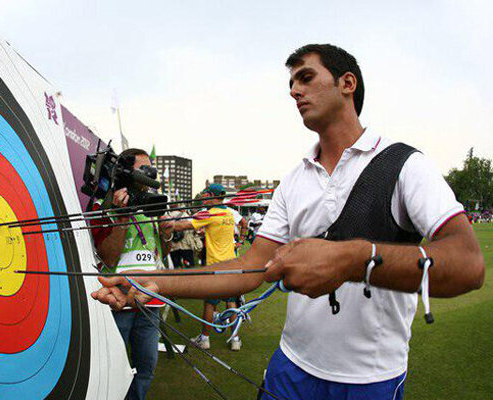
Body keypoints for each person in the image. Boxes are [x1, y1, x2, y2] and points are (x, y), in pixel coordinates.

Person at [92, 44, 484, 400]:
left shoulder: (405, 165)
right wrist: (157, 283)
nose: (294, 91)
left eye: (306, 78)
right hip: (290, 368)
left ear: (348, 83)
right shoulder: (295, 179)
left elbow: (467, 264)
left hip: (371, 380)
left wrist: (353, 259)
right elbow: (251, 267)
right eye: (292, 83)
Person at [90, 148, 174, 400]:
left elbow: (162, 250)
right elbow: (108, 257)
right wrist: (123, 215)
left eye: (151, 170)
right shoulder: (104, 204)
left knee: (146, 368)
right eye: (143, 170)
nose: (150, 175)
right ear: (126, 172)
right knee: (110, 369)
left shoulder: (152, 203)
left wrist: (167, 233)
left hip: (151, 299)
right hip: (117, 301)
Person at [174, 184, 242, 351]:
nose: (203, 198)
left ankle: (204, 339)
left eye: (205, 195)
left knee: (210, 304)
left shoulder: (210, 213)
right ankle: (235, 340)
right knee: (231, 303)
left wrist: (164, 223)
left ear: (211, 195)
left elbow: (183, 226)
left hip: (215, 266)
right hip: (231, 263)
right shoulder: (229, 213)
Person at [167, 203, 203, 268]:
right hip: (185, 245)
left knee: (176, 265)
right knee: (189, 265)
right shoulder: (185, 215)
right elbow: (193, 227)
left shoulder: (167, 216)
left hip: (173, 246)